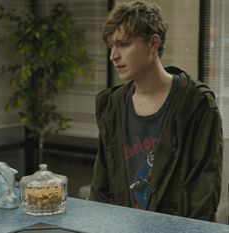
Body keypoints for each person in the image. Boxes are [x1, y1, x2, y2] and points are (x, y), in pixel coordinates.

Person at [89, 0, 223, 222]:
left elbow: (204, 195)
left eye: (123, 44)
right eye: (111, 46)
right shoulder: (111, 105)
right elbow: (101, 185)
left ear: (153, 43)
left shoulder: (196, 105)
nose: (113, 55)